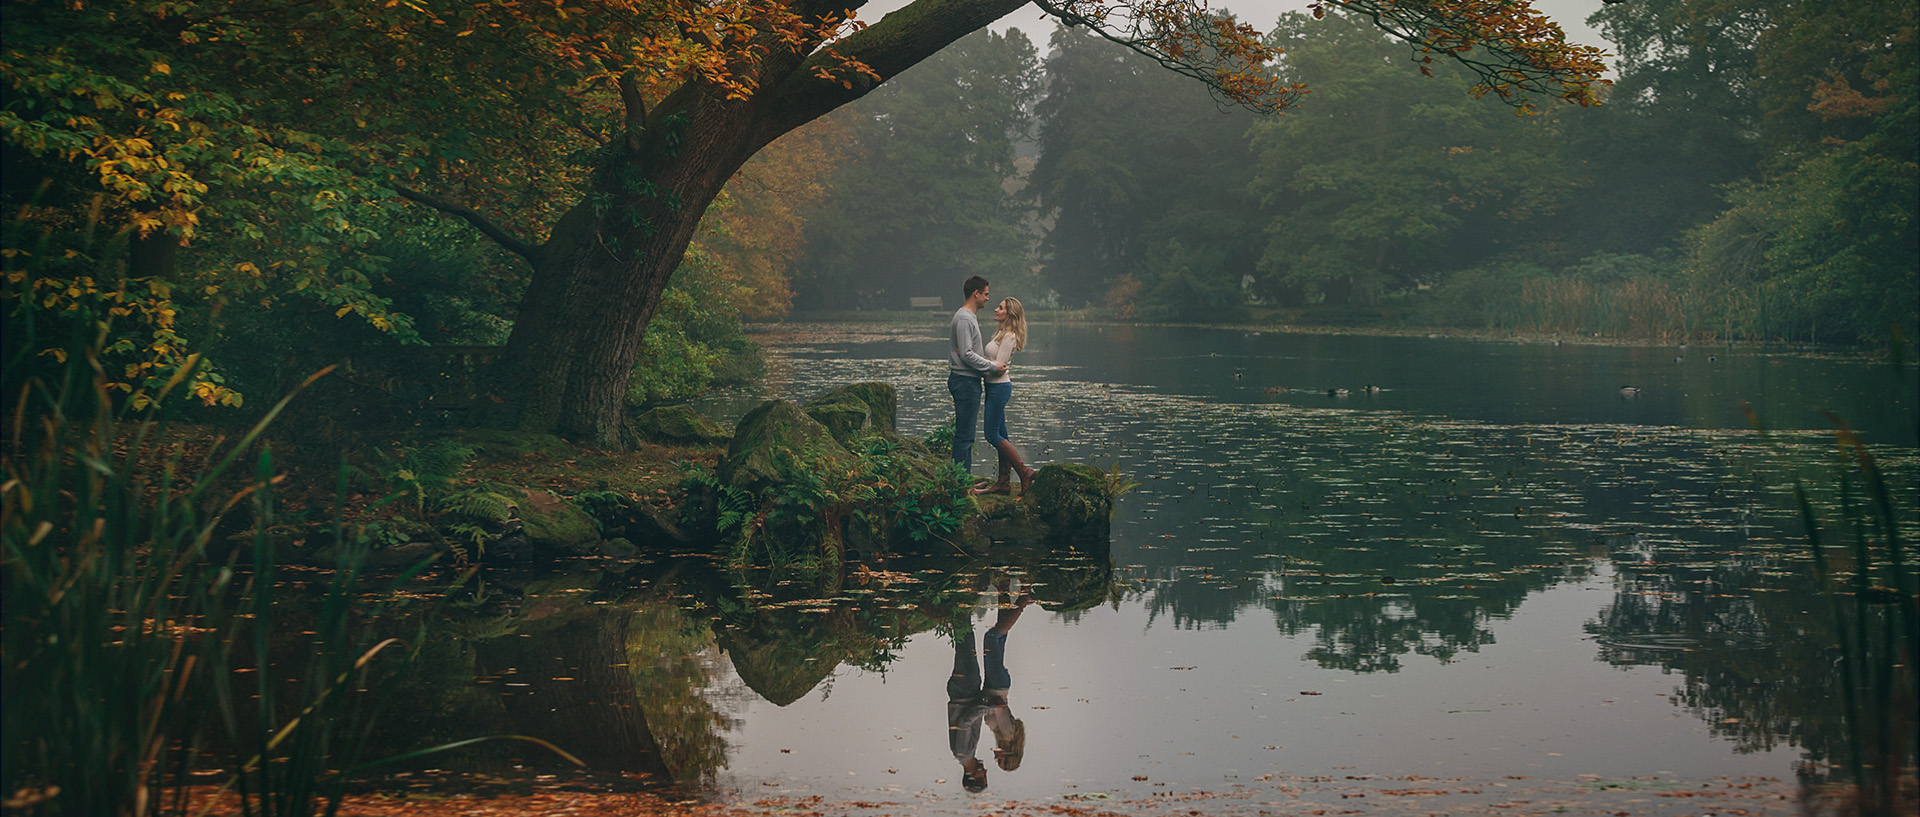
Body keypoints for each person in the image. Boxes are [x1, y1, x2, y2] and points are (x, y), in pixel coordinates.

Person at [945, 582, 1032, 792]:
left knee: (967, 643)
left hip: (964, 692)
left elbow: (966, 721)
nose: (986, 771)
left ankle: (959, 598)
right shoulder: (966, 753)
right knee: (973, 642)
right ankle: (964, 598)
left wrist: (988, 707)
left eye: (983, 777)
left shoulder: (963, 753)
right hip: (967, 691)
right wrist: (988, 706)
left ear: (973, 776)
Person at [976, 297, 1037, 495]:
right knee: (1002, 435)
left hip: (999, 388)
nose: (996, 309)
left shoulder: (1010, 336)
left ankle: (1024, 471)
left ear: (1009, 313)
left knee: (991, 435)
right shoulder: (1001, 333)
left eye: (1000, 307)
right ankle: (1003, 483)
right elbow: (992, 364)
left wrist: (973, 368)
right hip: (994, 388)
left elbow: (998, 369)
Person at [948, 276, 1006, 471]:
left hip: (968, 380)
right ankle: (962, 484)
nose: (988, 299)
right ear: (976, 293)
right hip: (964, 381)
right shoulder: (965, 318)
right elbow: (965, 354)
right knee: (965, 436)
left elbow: (966, 352)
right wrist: (992, 367)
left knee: (966, 435)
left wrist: (979, 359)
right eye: (986, 294)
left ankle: (963, 481)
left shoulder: (968, 317)